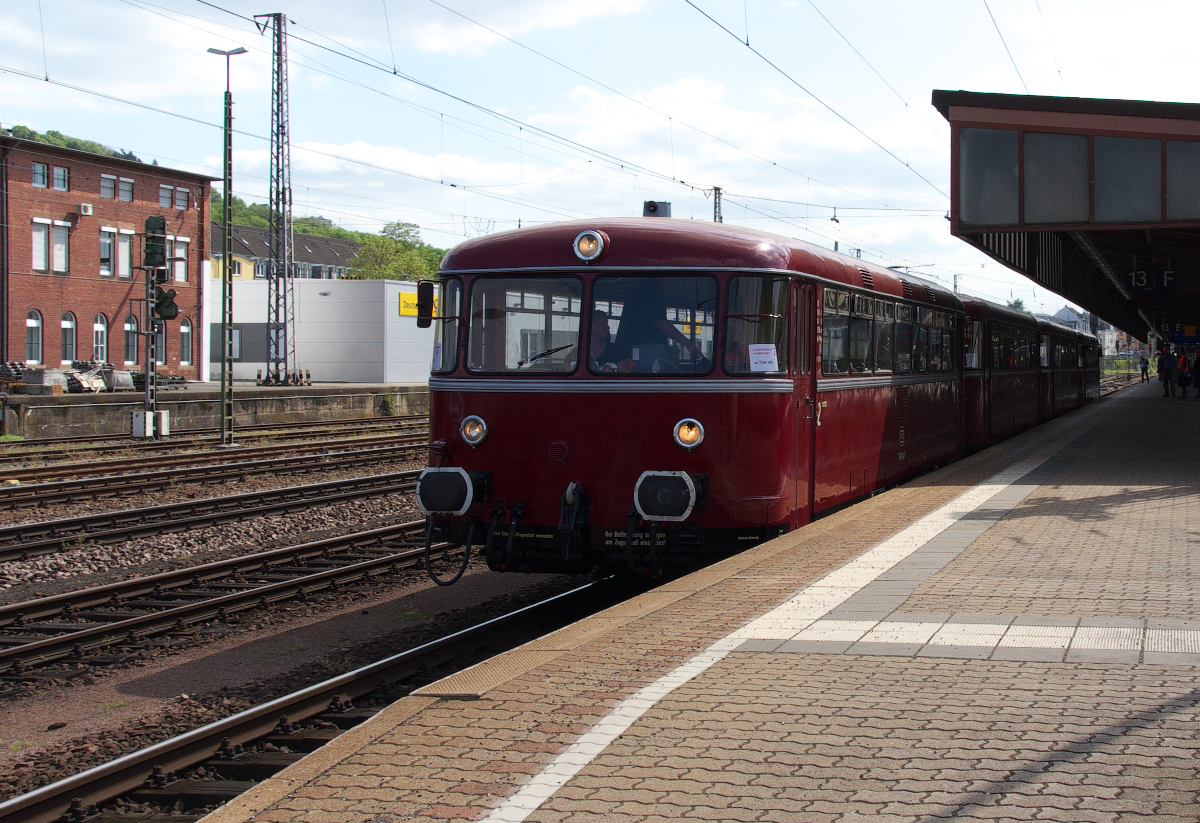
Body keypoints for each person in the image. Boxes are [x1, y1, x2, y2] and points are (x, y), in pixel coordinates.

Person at [609, 278, 706, 372]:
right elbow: (661, 324)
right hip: (638, 358)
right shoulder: (651, 289)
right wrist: (689, 344)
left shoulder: (644, 289)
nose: (673, 281)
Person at [562, 310, 631, 373]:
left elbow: (626, 375)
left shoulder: (615, 351)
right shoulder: (578, 352)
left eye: (607, 323)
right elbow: (566, 367)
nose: (608, 327)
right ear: (592, 326)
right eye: (603, 324)